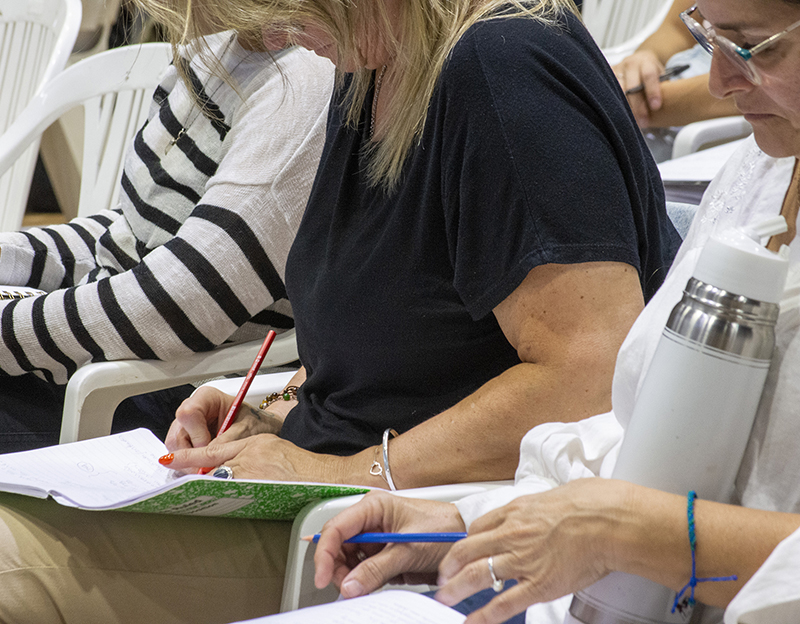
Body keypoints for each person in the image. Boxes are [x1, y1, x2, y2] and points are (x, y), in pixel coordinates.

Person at [0, 0, 680, 620]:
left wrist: (341, 470)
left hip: (399, 522)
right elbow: (413, 327)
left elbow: (588, 375)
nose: (276, 35)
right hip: (337, 484)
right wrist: (277, 403)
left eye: (290, 9)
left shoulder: (503, 67)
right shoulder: (374, 64)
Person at [313, 1, 800, 622]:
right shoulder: (758, 170)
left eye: (754, 48)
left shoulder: (501, 64)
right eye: (709, 40)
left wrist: (624, 531)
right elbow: (640, 428)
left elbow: (592, 396)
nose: (718, 83)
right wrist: (476, 521)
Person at [0, 8, 334, 490]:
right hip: (96, 352)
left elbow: (164, 308)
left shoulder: (302, 88)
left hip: (157, 394)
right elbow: (132, 234)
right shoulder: (215, 42)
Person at [612, 0, 741, 161]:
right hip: (650, 105)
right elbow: (677, 28)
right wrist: (644, 62)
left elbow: (755, 84)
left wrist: (626, 100)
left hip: (706, 139)